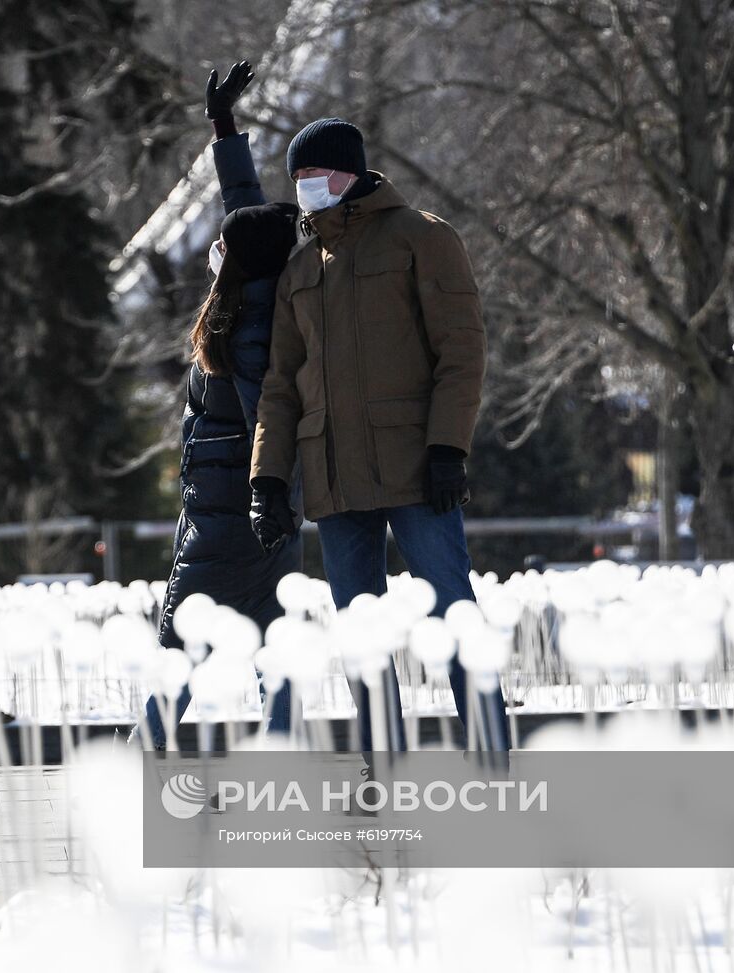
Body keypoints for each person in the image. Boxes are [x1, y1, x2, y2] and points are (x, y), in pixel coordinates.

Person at [248, 117, 512, 754]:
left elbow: (461, 349)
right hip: (334, 476)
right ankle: (381, 767)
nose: (304, 187)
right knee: (361, 638)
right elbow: (281, 385)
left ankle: (494, 759)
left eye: (313, 174)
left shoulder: (421, 238)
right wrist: (268, 477)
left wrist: (449, 446)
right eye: (297, 178)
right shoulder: (300, 268)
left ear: (348, 171)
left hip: (417, 468)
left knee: (453, 614)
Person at [134, 61, 303, 750]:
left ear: (232, 259)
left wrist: (264, 493)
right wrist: (224, 127)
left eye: (222, 243)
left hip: (231, 518)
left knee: (176, 650)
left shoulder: (250, 325)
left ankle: (140, 763)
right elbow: (246, 209)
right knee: (277, 650)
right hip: (249, 510)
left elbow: (269, 412)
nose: (214, 244)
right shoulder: (252, 293)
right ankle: (286, 754)